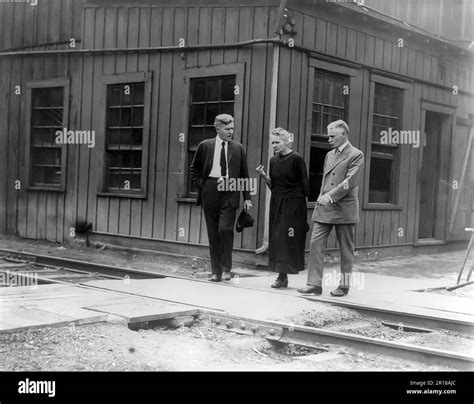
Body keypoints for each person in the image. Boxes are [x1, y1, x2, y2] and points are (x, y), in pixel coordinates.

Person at [297, 120, 364, 297]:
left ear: (344, 134)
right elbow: (326, 181)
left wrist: (330, 196)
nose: (329, 139)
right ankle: (314, 284)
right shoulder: (329, 155)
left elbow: (349, 182)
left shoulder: (356, 154)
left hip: (344, 209)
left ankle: (344, 285)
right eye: (328, 136)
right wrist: (322, 197)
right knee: (315, 242)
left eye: (332, 136)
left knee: (346, 248)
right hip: (325, 207)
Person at [190, 114, 252, 282]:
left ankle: (227, 269)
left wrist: (247, 198)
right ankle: (216, 272)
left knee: (225, 230)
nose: (230, 132)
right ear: (217, 128)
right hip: (210, 189)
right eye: (227, 129)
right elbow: (194, 169)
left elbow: (244, 173)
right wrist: (202, 186)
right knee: (213, 233)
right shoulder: (205, 146)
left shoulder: (238, 148)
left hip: (230, 190)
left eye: (232, 128)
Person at [256, 128, 309, 288]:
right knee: (277, 239)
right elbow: (275, 186)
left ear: (287, 141)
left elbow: (305, 186)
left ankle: (284, 275)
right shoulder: (273, 161)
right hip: (277, 203)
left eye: (277, 142)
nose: (274, 145)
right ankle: (281, 276)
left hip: (293, 204)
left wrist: (299, 212)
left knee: (288, 239)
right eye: (272, 142)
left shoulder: (296, 159)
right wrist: (264, 176)